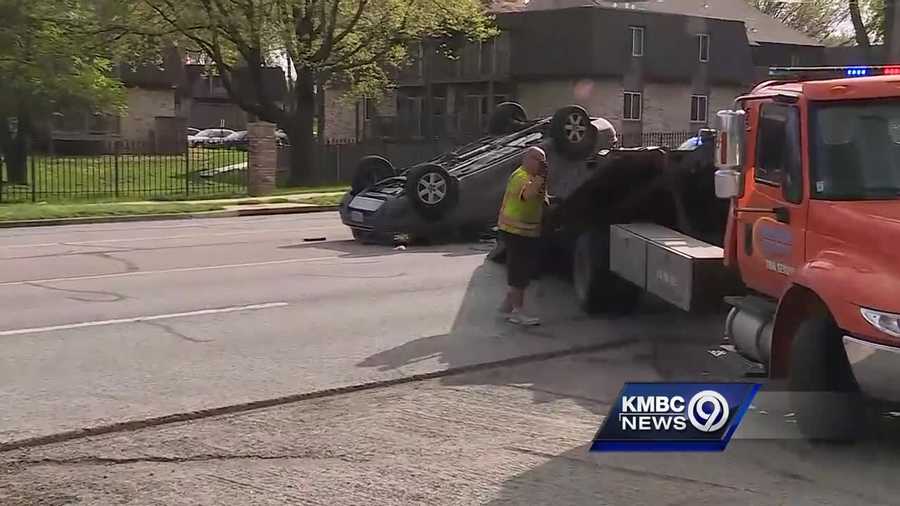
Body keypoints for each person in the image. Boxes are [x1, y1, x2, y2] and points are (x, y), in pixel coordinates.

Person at [497, 146, 549, 326]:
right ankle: (517, 313)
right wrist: (541, 178)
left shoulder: (534, 178)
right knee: (519, 273)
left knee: (522, 272)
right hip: (515, 231)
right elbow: (527, 195)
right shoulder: (520, 177)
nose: (541, 164)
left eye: (543, 161)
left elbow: (540, 198)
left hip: (525, 232)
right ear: (526, 159)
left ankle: (506, 308)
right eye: (538, 160)